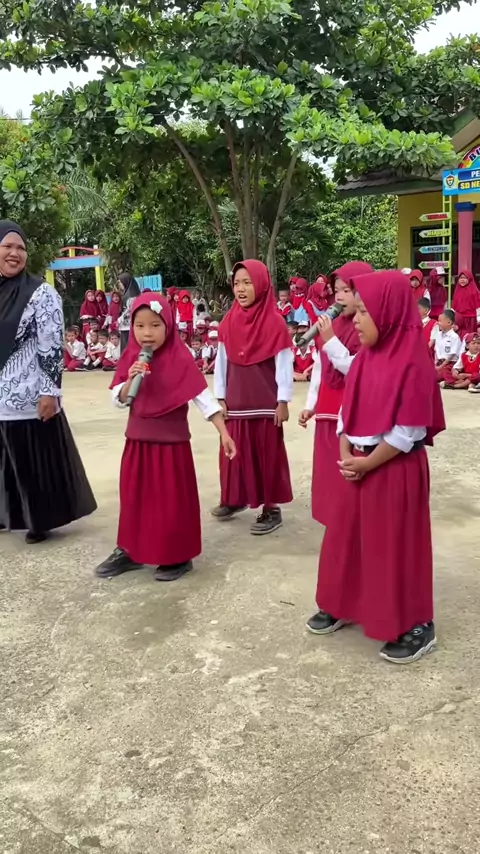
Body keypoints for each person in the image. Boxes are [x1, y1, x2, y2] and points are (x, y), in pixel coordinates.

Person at [307, 269, 445, 664]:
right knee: (346, 538)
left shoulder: (413, 360)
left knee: (394, 546)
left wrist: (367, 462)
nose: (356, 319)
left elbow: (407, 431)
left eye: (365, 312)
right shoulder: (366, 357)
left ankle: (415, 624)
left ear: (389, 312)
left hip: (393, 467)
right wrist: (346, 449)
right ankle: (342, 602)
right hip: (359, 462)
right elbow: (347, 411)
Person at [95, 293, 236, 581]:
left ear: (168, 326)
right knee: (134, 499)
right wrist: (130, 380)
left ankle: (177, 556)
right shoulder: (131, 357)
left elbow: (204, 399)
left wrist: (224, 433)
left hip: (171, 447)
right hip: (137, 443)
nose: (147, 333)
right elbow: (118, 399)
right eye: (140, 326)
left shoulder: (180, 358)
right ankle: (130, 550)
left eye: (155, 325)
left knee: (170, 503)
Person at [0, 219, 96, 543]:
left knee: (31, 463)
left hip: (28, 396)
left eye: (20, 248)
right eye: (7, 246)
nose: (15, 253)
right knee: (5, 463)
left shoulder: (41, 293)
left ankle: (38, 520)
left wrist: (49, 392)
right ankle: (7, 514)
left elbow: (51, 346)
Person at [212, 259, 293, 535]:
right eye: (237, 283)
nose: (241, 289)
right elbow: (221, 363)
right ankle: (234, 498)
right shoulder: (228, 322)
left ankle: (271, 508)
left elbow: (284, 365)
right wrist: (220, 397)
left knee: (267, 457)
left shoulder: (275, 323)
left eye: (247, 282)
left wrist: (283, 401)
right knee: (232, 455)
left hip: (265, 404)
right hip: (236, 402)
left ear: (260, 284)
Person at [299, 262, 373, 528]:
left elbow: (356, 369)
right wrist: (311, 404)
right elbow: (320, 366)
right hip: (326, 408)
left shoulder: (368, 326)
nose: (339, 297)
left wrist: (330, 340)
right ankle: (333, 522)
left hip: (352, 408)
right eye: (336, 290)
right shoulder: (333, 325)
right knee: (327, 469)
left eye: (346, 290)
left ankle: (350, 522)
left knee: (348, 465)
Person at [434, 309, 462, 384]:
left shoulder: (454, 337)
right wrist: (435, 364)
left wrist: (441, 366)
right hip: (440, 363)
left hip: (450, 363)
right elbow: (436, 352)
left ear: (449, 322)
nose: (437, 323)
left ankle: (452, 382)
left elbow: (451, 356)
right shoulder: (438, 335)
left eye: (440, 321)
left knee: (444, 371)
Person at [117, 272, 141, 352]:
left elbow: (130, 310)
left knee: (128, 347)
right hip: (125, 325)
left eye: (120, 282)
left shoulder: (131, 295)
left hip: (129, 326)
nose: (119, 284)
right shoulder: (127, 293)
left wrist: (120, 318)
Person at [452, 269, 480, 337]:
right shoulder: (457, 291)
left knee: (469, 337)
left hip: (471, 319)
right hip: (459, 320)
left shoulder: (475, 291)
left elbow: (478, 307)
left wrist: (478, 320)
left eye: (465, 278)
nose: (462, 280)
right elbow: (454, 306)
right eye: (461, 278)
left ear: (469, 279)